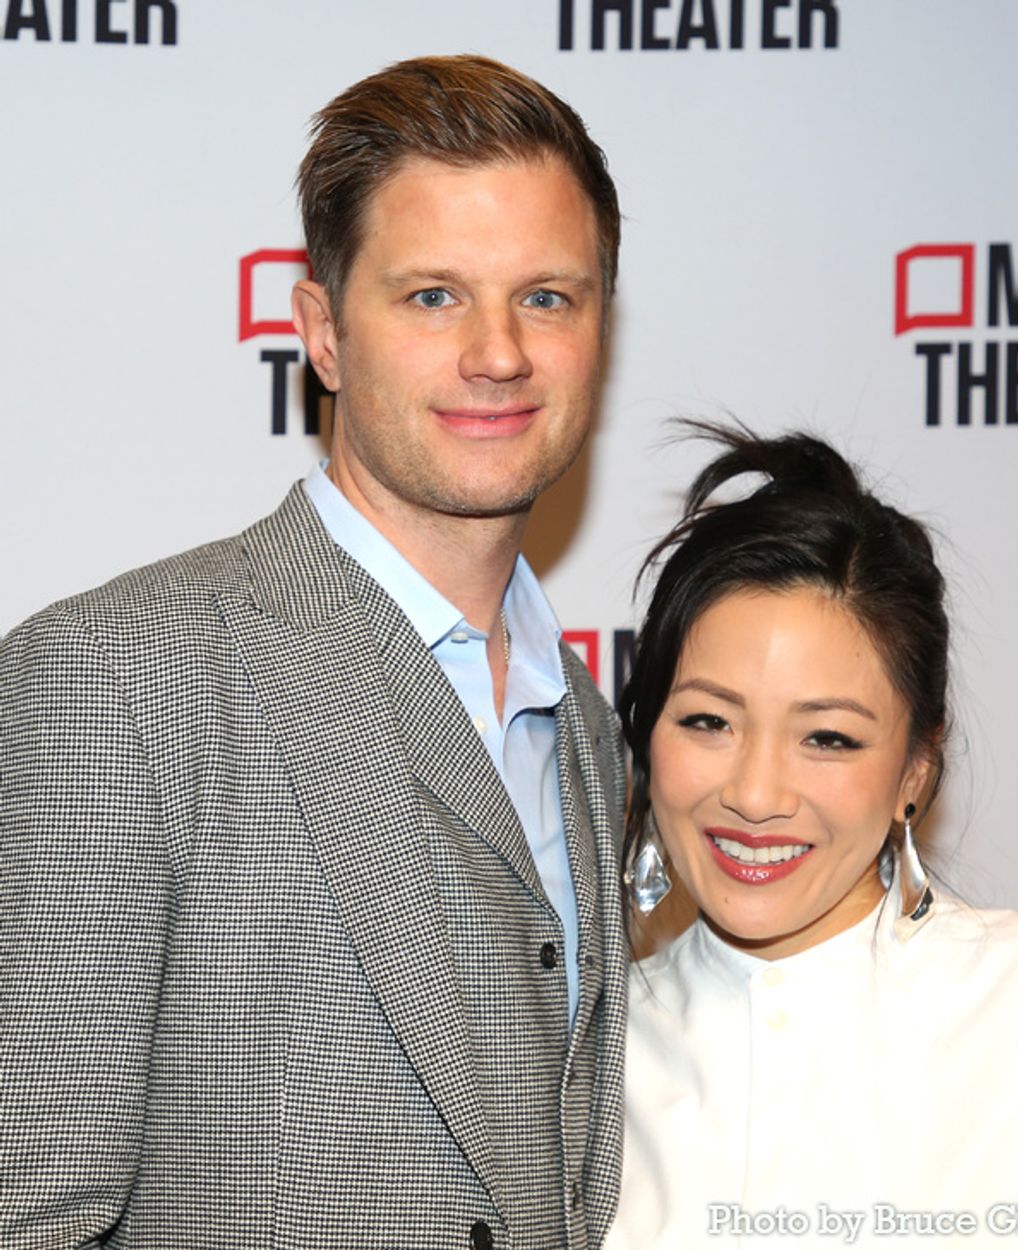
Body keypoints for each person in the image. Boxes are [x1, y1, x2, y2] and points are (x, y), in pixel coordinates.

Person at [1, 56, 626, 1250]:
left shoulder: (588, 722)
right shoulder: (110, 682)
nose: (499, 352)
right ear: (323, 334)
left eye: (548, 296)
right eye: (433, 295)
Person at [607, 425, 1018, 1249]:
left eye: (828, 738)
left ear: (916, 770)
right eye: (709, 721)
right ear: (646, 737)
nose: (753, 794)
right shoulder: (580, 1075)